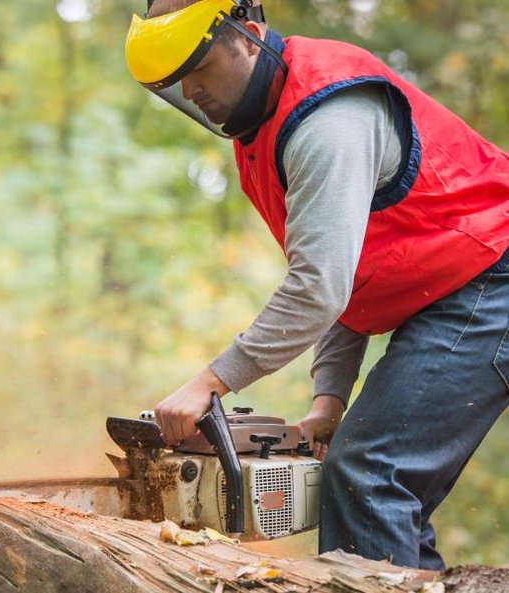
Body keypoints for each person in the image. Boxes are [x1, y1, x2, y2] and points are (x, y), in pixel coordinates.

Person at [123, 0, 509, 569]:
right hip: (463, 284)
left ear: (249, 34)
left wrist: (210, 382)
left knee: (370, 472)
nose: (192, 91)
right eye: (179, 82)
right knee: (370, 482)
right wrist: (329, 400)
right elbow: (349, 274)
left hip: (491, 274)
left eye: (199, 70)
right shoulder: (262, 132)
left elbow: (317, 289)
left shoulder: (324, 121)